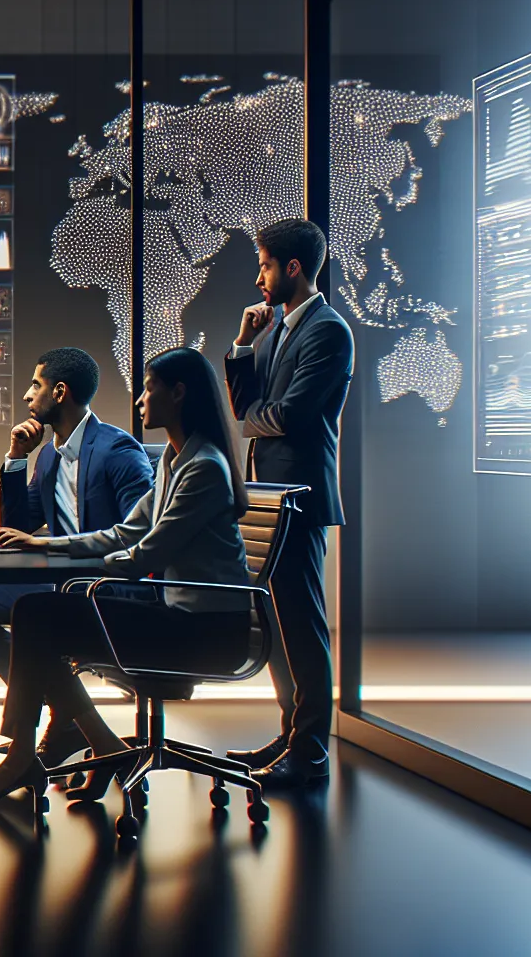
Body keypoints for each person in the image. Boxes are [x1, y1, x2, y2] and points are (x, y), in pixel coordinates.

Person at [0, 348, 253, 806]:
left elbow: (145, 553)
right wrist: (43, 545)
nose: (140, 400)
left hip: (203, 629)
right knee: (35, 614)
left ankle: (36, 752)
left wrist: (69, 562)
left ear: (178, 394)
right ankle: (92, 745)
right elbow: (124, 532)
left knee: (37, 615)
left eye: (149, 388)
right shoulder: (176, 461)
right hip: (178, 615)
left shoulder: (203, 468)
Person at [0, 347, 153, 766]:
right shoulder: (47, 455)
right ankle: (67, 715)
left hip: (109, 588)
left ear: (59, 392)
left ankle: (62, 723)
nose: (28, 396)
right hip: (65, 584)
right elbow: (19, 525)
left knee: (33, 618)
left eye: (36, 385)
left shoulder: (119, 452)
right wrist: (15, 458)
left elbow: (140, 537)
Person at [223, 217, 355, 789]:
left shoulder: (328, 331)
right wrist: (243, 346)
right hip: (267, 495)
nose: (259, 278)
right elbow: (247, 407)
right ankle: (291, 735)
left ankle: (311, 755)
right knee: (276, 623)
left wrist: (255, 422)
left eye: (264, 265)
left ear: (292, 268)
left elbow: (290, 415)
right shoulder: (275, 331)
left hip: (300, 497)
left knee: (303, 624)